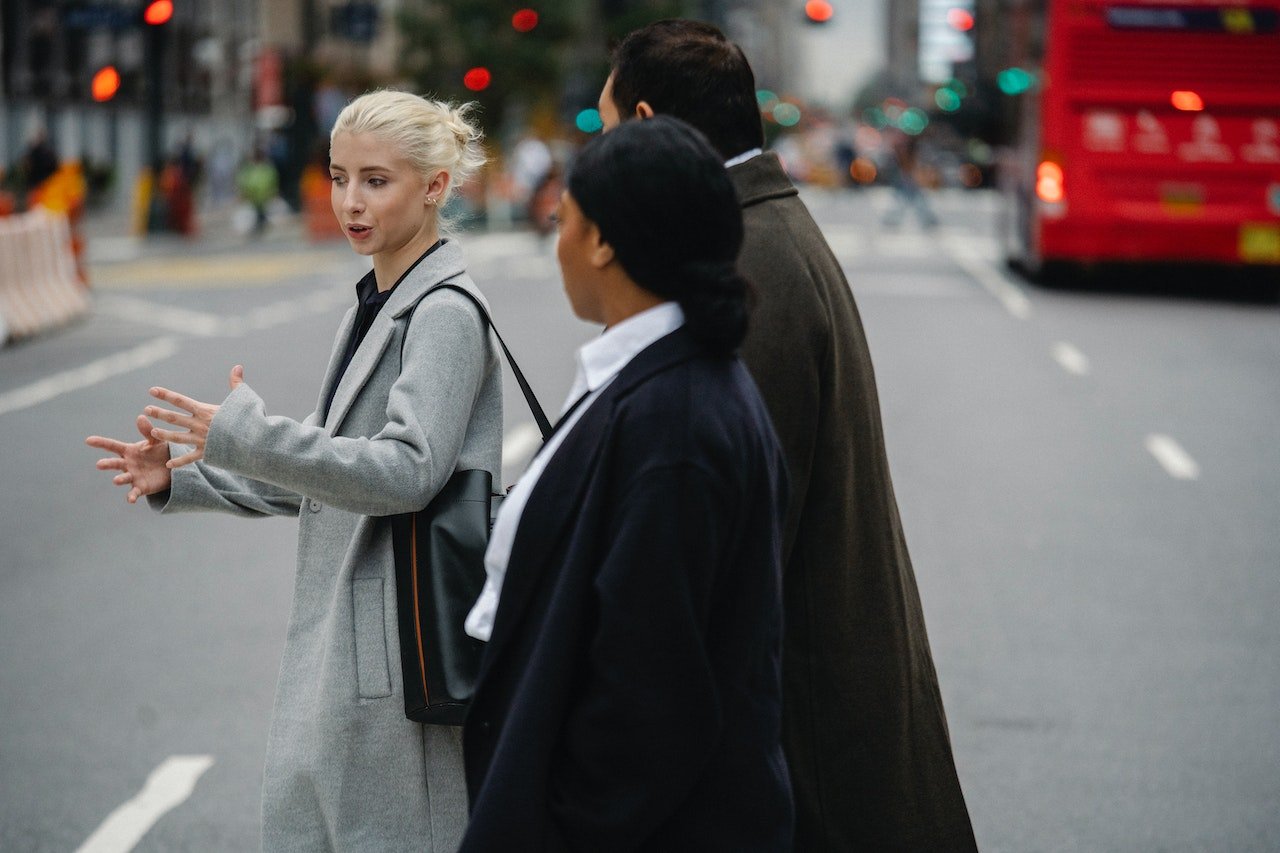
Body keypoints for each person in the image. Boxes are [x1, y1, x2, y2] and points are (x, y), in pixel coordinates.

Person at [85, 90, 498, 851]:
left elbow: (406, 470)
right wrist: (187, 475)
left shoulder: (442, 311)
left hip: (396, 655)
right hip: (349, 652)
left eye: (377, 180)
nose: (349, 201)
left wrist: (251, 435)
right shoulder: (378, 301)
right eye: (340, 176)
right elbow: (326, 464)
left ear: (435, 186)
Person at [600, 20, 978, 851]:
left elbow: (729, 548)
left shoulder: (748, 261)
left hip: (808, 741)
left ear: (646, 125)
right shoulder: (761, 228)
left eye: (603, 125)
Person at [459, 116, 793, 851]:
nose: (557, 243)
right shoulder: (661, 382)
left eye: (565, 221)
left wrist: (559, 821)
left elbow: (650, 690)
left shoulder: (674, 421)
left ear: (603, 241)